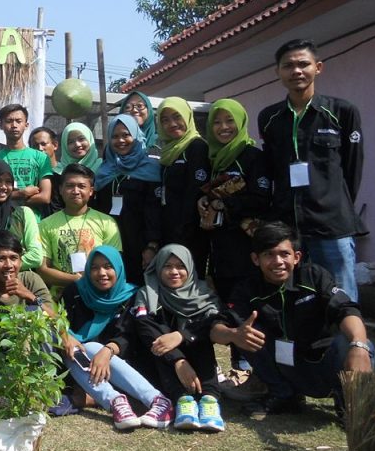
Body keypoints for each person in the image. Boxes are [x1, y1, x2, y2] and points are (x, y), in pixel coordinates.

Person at [210, 222, 375, 419]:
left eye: (284, 254)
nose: (278, 261)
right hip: (286, 370)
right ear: (256, 259)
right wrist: (233, 335)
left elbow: (346, 309)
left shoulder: (314, 276)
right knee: (246, 333)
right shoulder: (247, 289)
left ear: (296, 257)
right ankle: (283, 396)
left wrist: (358, 345)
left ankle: (350, 404)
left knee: (358, 343)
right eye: (269, 254)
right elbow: (216, 327)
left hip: (325, 365)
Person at [258, 39, 365, 301]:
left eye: (303, 64)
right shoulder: (269, 118)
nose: (296, 71)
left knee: (341, 300)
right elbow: (272, 169)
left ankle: (352, 344)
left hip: (331, 228)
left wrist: (332, 202)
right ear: (278, 72)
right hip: (288, 232)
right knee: (299, 302)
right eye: (288, 66)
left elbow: (352, 168)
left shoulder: (342, 111)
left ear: (318, 67)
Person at [59, 246, 173, 431]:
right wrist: (67, 337)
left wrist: (108, 350)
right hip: (82, 363)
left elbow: (130, 335)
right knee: (73, 349)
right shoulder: (75, 291)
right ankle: (117, 402)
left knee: (93, 347)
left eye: (108, 266)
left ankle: (157, 400)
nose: (101, 273)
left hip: (124, 363)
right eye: (95, 268)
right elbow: (60, 323)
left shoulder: (132, 295)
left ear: (118, 269)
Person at [134, 245, 224, 432]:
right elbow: (145, 328)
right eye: (168, 266)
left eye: (180, 266)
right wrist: (178, 359)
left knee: (200, 339)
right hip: (163, 358)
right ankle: (182, 400)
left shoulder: (203, 292)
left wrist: (181, 335)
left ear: (190, 268)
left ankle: (209, 399)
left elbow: (213, 321)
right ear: (158, 267)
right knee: (159, 344)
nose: (174, 272)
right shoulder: (147, 293)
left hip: (196, 351)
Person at [200, 98, 270, 307]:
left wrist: (221, 204)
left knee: (247, 308)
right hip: (220, 252)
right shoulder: (213, 159)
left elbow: (261, 200)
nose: (223, 127)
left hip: (246, 250)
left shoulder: (253, 157)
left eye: (229, 120)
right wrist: (204, 200)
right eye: (217, 122)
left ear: (240, 122)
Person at [93, 114, 162, 286]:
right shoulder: (103, 170)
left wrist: (151, 246)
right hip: (111, 244)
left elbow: (155, 211)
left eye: (125, 135)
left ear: (136, 136)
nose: (120, 140)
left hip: (141, 244)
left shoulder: (151, 168)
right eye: (115, 136)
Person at [38, 164, 121, 293]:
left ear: (91, 191)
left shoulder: (106, 222)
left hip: (98, 295)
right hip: (61, 299)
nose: (75, 191)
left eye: (82, 186)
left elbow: (115, 266)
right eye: (70, 186)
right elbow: (43, 270)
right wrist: (76, 279)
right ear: (60, 189)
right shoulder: (45, 225)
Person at [156, 97, 210, 274]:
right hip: (169, 230)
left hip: (189, 235)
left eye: (177, 116)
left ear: (187, 117)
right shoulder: (168, 151)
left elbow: (195, 192)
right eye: (165, 120)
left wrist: (182, 235)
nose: (172, 124)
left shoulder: (197, 147)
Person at [0, 104, 53, 210]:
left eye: (18, 121)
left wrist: (3, 198)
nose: (14, 125)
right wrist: (21, 194)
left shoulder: (41, 158)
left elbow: (45, 197)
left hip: (31, 221)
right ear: (1, 125)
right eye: (9, 121)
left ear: (26, 125)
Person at [0, 230, 53, 315]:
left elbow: (55, 319)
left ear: (21, 261)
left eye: (13, 258)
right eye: (1, 259)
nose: (8, 265)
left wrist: (30, 296)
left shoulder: (31, 280)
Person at [53, 122, 106, 213]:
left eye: (81, 139)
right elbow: (56, 205)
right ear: (65, 146)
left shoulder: (103, 168)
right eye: (70, 142)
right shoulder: (58, 173)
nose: (77, 144)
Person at [120, 91, 158, 156]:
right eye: (128, 107)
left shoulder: (162, 143)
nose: (134, 110)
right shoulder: (117, 143)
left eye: (139, 106)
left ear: (149, 110)